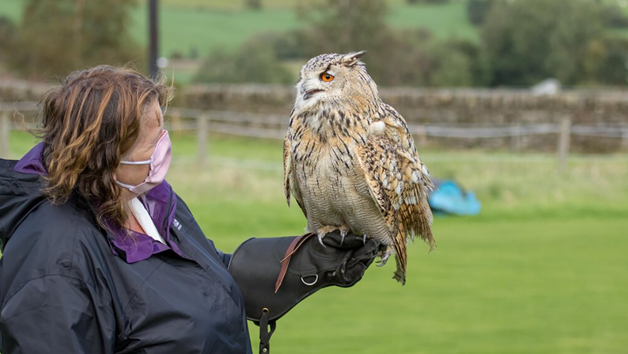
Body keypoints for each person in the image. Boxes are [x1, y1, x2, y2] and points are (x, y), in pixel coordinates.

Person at [0, 66, 380, 354]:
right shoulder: (52, 258)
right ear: (105, 153)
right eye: (152, 141)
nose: (164, 146)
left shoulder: (149, 198)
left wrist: (301, 262)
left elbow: (197, 277)